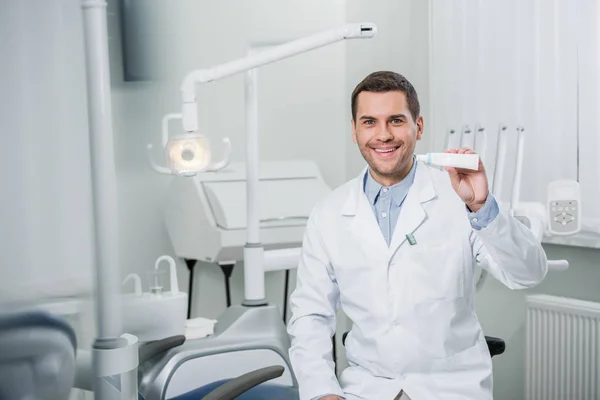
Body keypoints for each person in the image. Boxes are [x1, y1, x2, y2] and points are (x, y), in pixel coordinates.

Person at [286, 71, 548, 400]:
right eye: (369, 122)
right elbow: (311, 315)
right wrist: (322, 391)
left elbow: (529, 274)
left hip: (451, 389)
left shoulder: (460, 198)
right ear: (354, 130)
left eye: (396, 120)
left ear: (418, 127)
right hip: (367, 389)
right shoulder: (329, 213)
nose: (383, 135)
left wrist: (481, 208)